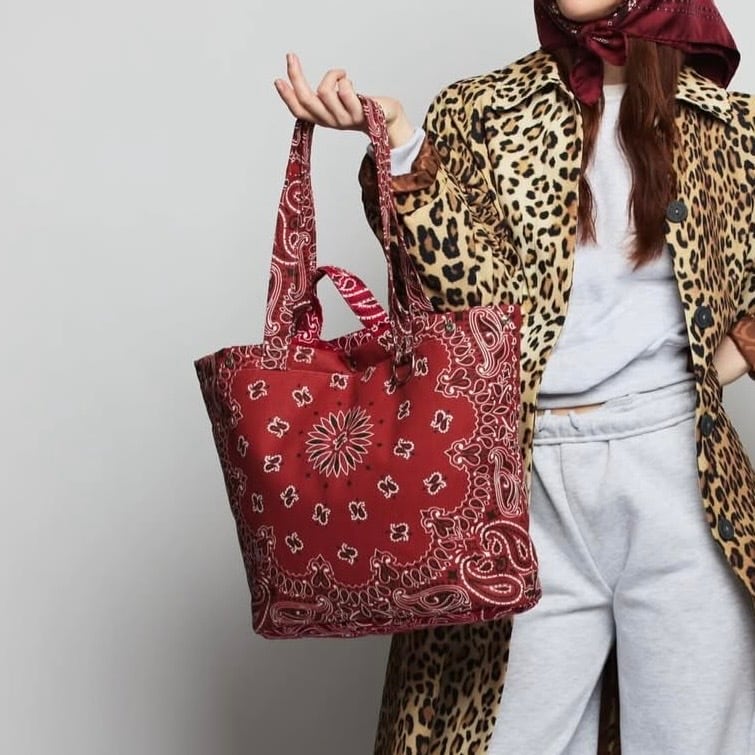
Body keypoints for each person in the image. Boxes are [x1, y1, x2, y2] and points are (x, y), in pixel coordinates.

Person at [275, 1, 755, 753]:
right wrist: (403, 144)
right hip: (517, 479)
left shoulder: (729, 126)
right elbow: (462, 300)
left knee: (696, 740)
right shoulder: (480, 111)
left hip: (680, 479)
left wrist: (713, 374)